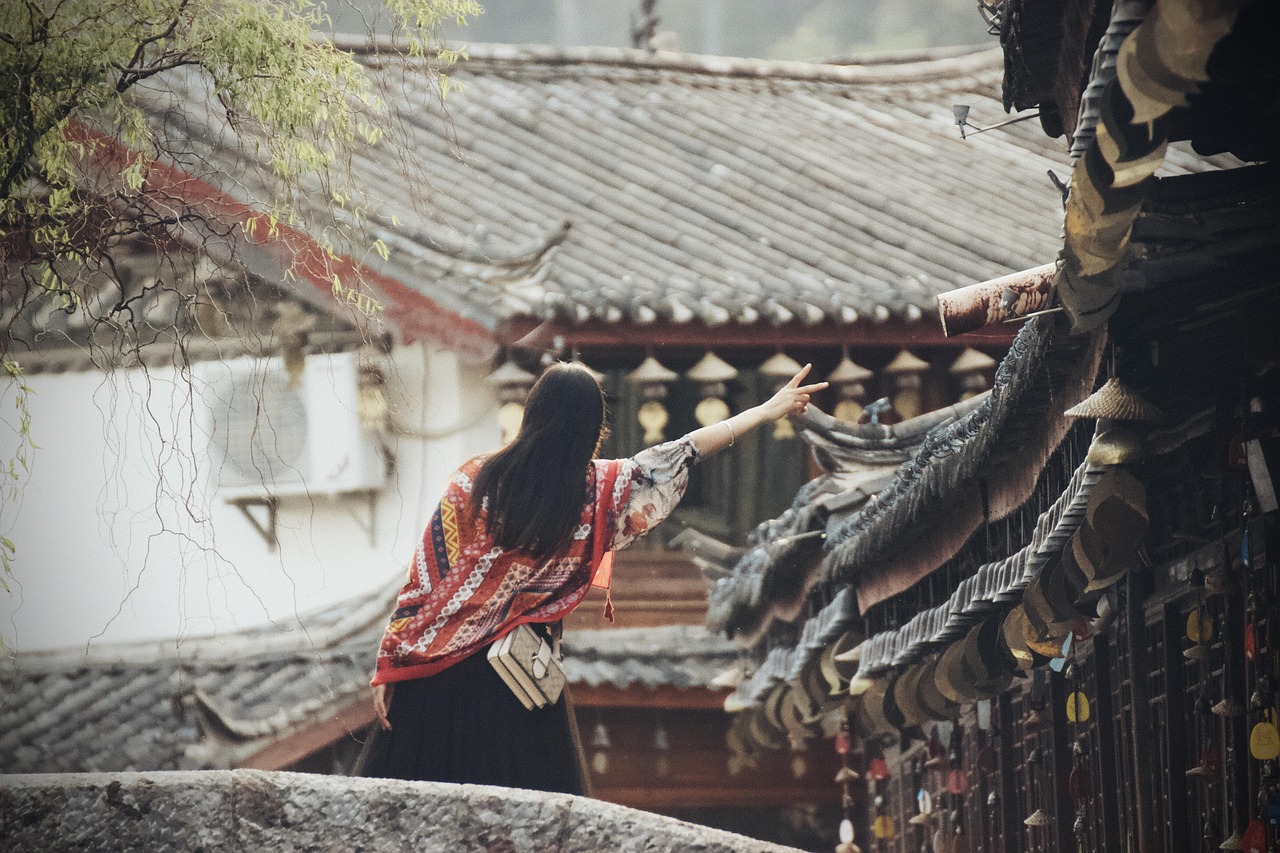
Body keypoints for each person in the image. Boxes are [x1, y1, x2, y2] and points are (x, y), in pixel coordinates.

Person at [355, 360, 826, 793]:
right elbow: (685, 452)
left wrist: (390, 665)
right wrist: (764, 411)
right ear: (592, 430)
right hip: (518, 680)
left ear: (531, 415)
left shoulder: (474, 483)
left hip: (438, 681)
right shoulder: (603, 489)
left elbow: (428, 577)